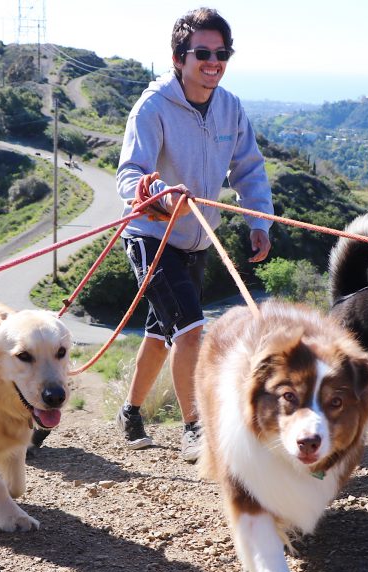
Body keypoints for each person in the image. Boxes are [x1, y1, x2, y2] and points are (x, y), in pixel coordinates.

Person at [115, 7, 273, 462]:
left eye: (222, 53)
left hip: (199, 239)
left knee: (163, 331)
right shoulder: (152, 106)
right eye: (202, 52)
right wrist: (159, 193)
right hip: (152, 235)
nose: (213, 62)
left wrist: (258, 222)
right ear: (178, 57)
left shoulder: (230, 107)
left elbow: (249, 169)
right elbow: (129, 176)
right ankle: (194, 426)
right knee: (191, 331)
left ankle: (130, 412)